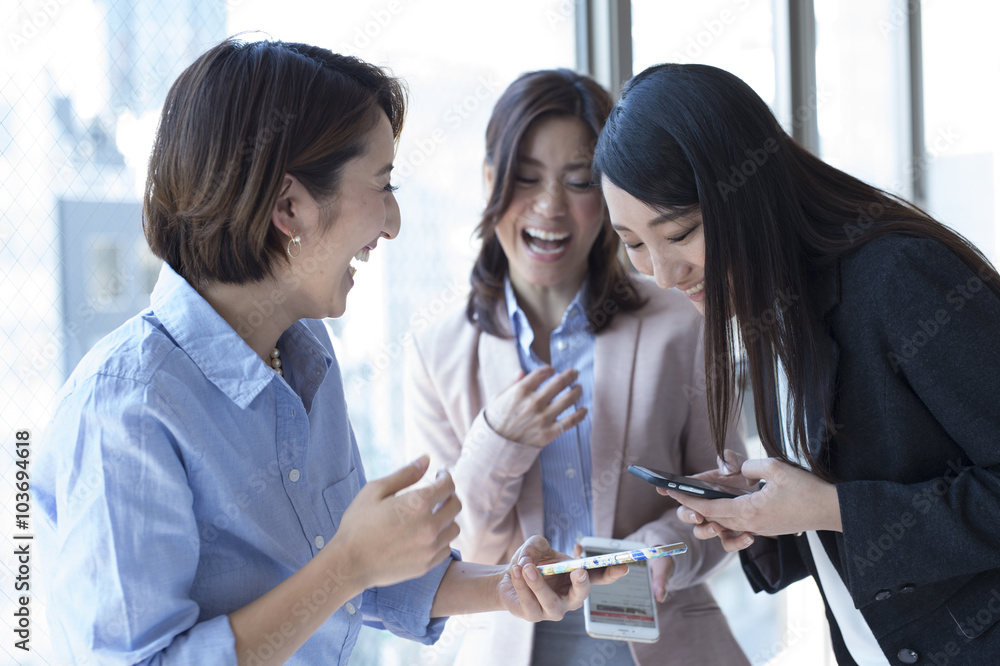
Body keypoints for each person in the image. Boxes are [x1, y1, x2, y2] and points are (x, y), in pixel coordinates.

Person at [34, 38, 627, 666]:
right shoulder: (125, 409)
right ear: (289, 207)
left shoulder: (305, 354)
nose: (393, 222)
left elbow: (363, 575)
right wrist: (346, 565)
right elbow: (338, 571)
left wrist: (508, 587)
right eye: (382, 184)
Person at [594, 62, 1000, 666]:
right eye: (632, 245)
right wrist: (767, 512)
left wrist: (826, 508)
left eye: (679, 233)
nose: (662, 272)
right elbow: (878, 483)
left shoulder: (899, 279)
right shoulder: (775, 314)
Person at [404, 68, 749, 666]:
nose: (550, 207)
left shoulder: (681, 321)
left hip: (669, 641)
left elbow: (726, 497)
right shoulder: (435, 352)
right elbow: (453, 550)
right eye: (526, 179)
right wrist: (497, 441)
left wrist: (647, 555)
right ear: (490, 181)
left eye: (579, 181)